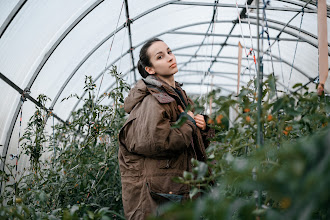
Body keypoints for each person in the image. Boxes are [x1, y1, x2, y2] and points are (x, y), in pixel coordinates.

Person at [118, 38, 214, 220]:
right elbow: (157, 141)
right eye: (160, 56)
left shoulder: (177, 96)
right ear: (150, 69)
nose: (170, 58)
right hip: (160, 198)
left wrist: (202, 127)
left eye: (169, 52)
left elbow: (189, 143)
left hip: (174, 191)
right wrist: (189, 124)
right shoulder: (152, 101)